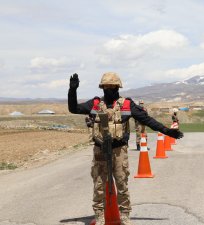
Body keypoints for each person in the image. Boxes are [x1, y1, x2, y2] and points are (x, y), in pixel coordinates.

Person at [68, 72, 183, 225]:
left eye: (112, 86)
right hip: (100, 150)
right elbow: (73, 108)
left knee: (122, 184)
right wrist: (72, 90)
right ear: (102, 87)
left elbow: (147, 120)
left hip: (119, 151)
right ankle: (100, 217)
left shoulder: (127, 105)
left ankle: (125, 217)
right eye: (106, 86)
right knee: (99, 185)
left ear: (117, 87)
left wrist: (167, 131)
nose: (109, 89)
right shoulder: (95, 104)